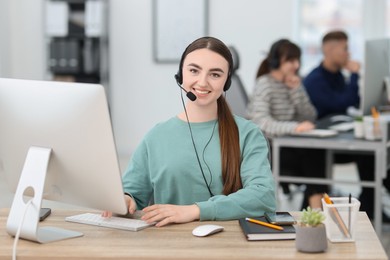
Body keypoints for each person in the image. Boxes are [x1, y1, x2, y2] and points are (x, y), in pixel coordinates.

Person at [103, 36, 276, 227]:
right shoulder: (157, 136)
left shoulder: (247, 133)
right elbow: (132, 192)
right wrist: (126, 200)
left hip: (229, 245)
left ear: (226, 82)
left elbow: (263, 196)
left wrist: (195, 210)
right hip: (169, 244)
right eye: (194, 70)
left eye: (215, 74)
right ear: (181, 74)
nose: (202, 82)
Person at [303, 30, 390, 220]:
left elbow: (354, 102)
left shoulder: (337, 75)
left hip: (339, 136)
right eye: (345, 49)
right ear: (330, 50)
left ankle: (370, 204)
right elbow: (341, 104)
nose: (348, 54)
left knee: (373, 151)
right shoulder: (315, 80)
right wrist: (354, 75)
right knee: (368, 152)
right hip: (322, 146)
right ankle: (369, 205)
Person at [247, 39, 328, 209]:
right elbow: (261, 122)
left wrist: (296, 91)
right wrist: (294, 127)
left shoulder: (294, 83)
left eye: (297, 60)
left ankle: (313, 211)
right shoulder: (265, 84)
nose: (296, 65)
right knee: (313, 160)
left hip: (291, 145)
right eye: (291, 60)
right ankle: (315, 209)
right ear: (277, 61)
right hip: (271, 150)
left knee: (317, 155)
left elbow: (310, 116)